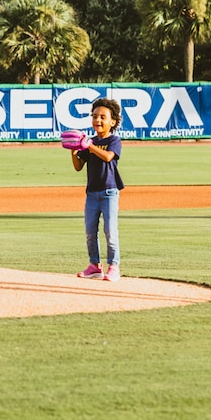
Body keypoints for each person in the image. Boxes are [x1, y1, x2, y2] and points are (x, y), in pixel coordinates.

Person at [67, 97, 125, 282]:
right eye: (94, 116)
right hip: (92, 193)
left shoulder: (114, 140)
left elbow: (109, 157)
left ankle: (114, 266)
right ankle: (94, 266)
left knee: (110, 231)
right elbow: (78, 166)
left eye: (103, 117)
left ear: (113, 121)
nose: (97, 120)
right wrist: (74, 148)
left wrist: (89, 146)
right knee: (90, 232)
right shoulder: (88, 141)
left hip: (109, 192)